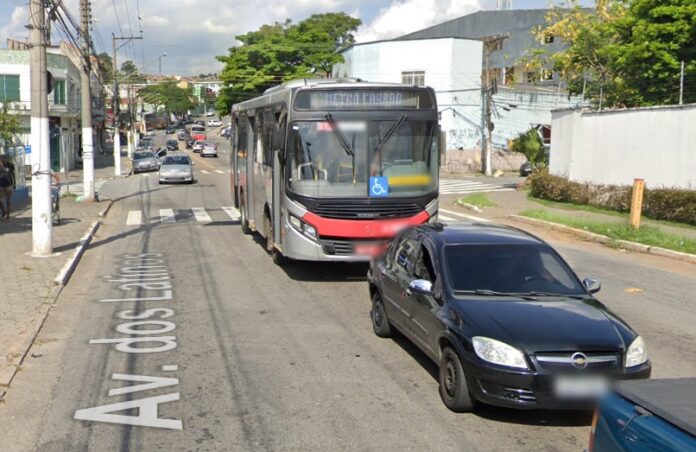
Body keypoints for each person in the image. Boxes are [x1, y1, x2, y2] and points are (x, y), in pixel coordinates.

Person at [0, 155, 16, 220]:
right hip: (5, 186)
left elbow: (13, 174)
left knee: (5, 201)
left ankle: (6, 214)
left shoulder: (10, 165)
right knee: (4, 200)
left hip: (5, 186)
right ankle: (6, 214)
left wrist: (14, 184)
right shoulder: (8, 165)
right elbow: (13, 175)